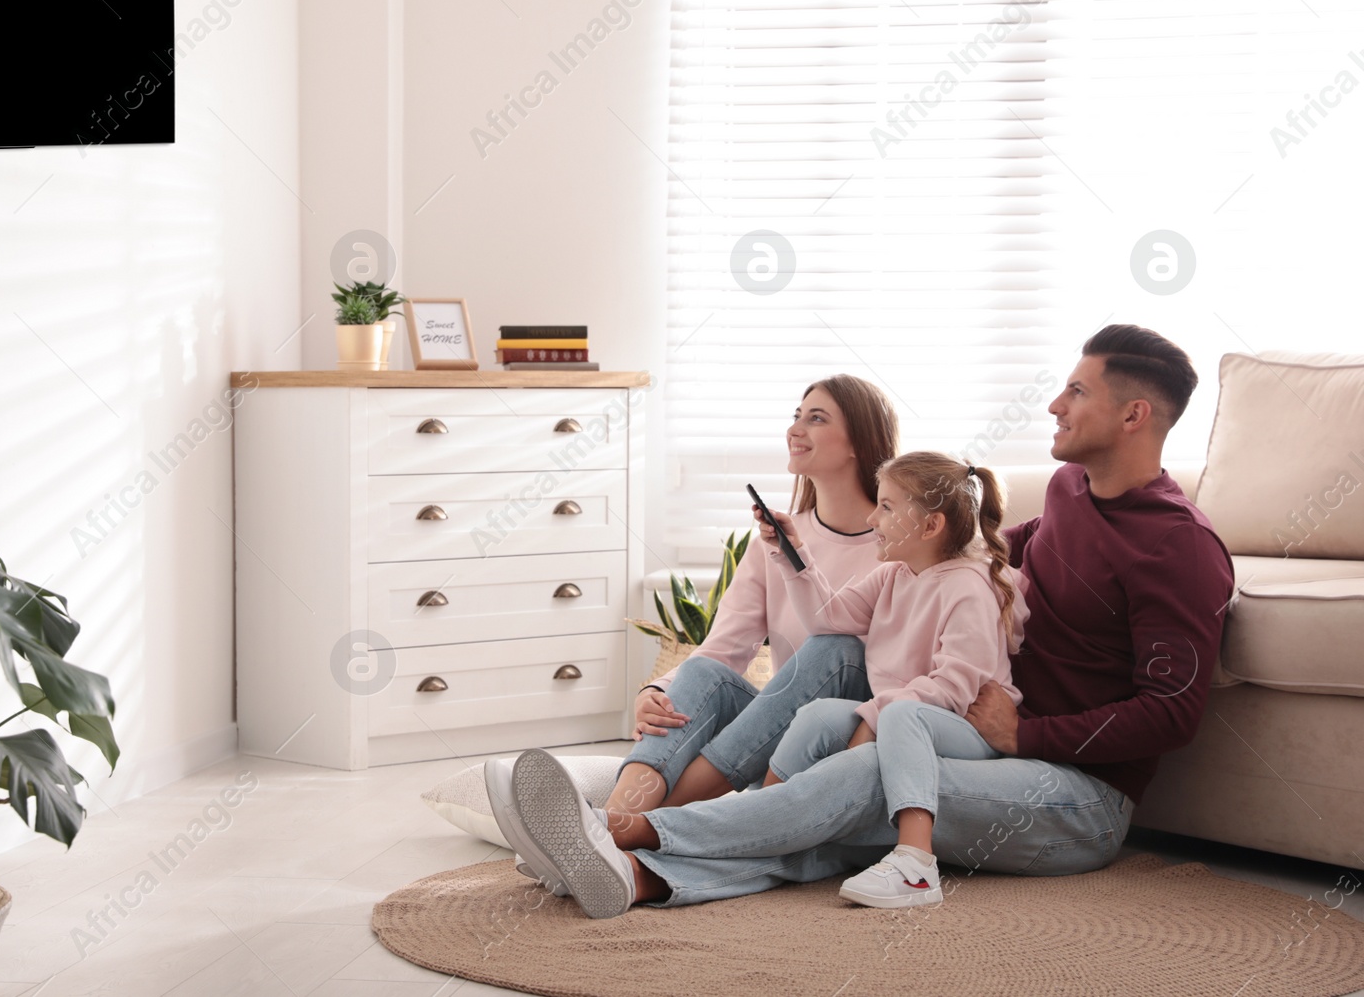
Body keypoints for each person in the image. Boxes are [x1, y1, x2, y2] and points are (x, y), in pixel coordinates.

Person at [496, 324, 1236, 918]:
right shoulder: (1072, 489)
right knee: (837, 808)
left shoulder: (1179, 546)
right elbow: (994, 558)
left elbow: (1172, 714)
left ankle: (622, 828)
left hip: (1078, 798)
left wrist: (1027, 733)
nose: (1054, 405)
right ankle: (634, 877)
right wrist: (917, 561)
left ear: (1134, 414)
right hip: (988, 749)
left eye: (1076, 391)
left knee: (858, 776)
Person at [488, 375, 897, 896]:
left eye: (816, 418)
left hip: (843, 734)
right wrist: (654, 693)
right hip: (773, 738)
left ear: (861, 441)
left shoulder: (898, 543)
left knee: (835, 648)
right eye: (796, 415)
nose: (796, 429)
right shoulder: (773, 540)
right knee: (704, 673)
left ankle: (613, 834)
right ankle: (615, 818)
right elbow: (723, 650)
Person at [760, 451, 1026, 909]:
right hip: (906, 716)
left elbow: (954, 688)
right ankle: (763, 818)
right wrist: (795, 556)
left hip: (965, 727)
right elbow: (829, 618)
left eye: (886, 507)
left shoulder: (968, 587)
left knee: (902, 714)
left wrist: (874, 719)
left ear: (929, 527)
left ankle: (917, 866)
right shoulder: (893, 574)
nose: (872, 517)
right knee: (820, 715)